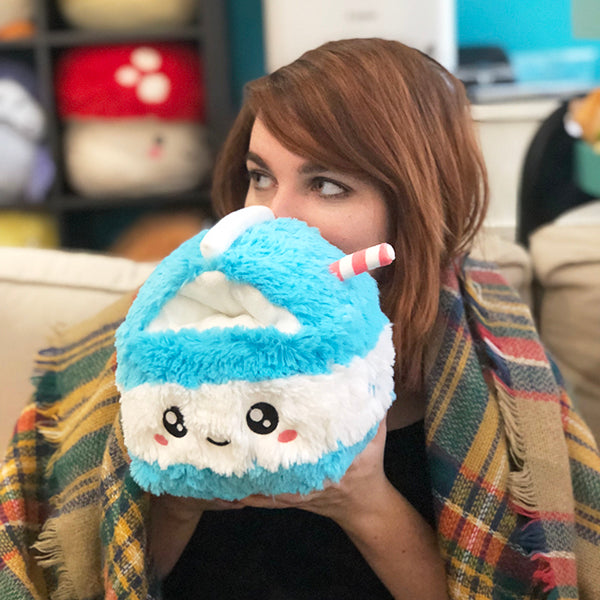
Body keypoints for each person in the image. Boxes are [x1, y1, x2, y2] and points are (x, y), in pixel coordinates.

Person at [1, 38, 600, 600]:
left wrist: (363, 500)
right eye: (261, 177)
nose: (274, 216)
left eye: (328, 185)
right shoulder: (168, 329)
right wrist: (178, 497)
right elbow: (98, 579)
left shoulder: (491, 372)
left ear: (419, 204)